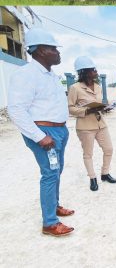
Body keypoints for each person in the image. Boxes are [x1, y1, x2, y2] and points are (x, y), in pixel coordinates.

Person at [7, 28, 74, 237]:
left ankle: (53, 206)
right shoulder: (26, 74)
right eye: (54, 48)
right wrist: (39, 136)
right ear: (42, 51)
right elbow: (16, 109)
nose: (58, 52)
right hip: (44, 132)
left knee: (56, 171)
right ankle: (50, 223)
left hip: (58, 131)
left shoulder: (51, 75)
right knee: (50, 174)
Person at [68, 56, 116, 191]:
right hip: (85, 126)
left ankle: (105, 173)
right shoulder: (75, 88)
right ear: (84, 72)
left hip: (100, 123)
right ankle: (92, 178)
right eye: (93, 70)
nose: (96, 72)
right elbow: (71, 108)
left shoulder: (98, 86)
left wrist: (104, 108)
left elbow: (99, 104)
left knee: (109, 149)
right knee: (88, 154)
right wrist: (87, 110)